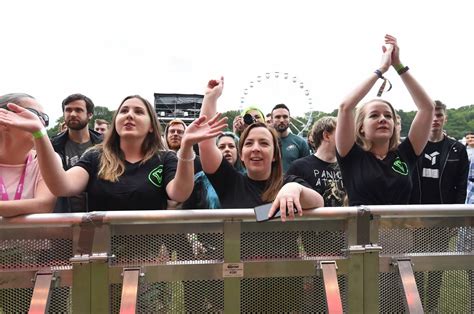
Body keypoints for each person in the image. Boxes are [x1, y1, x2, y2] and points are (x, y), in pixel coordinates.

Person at [0, 95, 227, 211]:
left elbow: (179, 193)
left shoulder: (164, 158)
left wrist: (186, 147)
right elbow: (61, 186)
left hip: (149, 257)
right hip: (100, 255)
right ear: (115, 121)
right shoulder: (94, 156)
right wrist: (40, 134)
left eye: (138, 111)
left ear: (151, 125)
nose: (129, 115)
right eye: (124, 111)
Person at [197, 77, 323, 221]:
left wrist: (295, 189)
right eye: (249, 143)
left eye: (264, 143)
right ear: (241, 154)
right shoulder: (230, 182)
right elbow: (205, 144)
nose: (255, 148)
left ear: (275, 154)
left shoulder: (288, 182)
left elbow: (319, 201)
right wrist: (210, 98)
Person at [335, 34, 434, 206]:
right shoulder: (351, 155)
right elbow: (345, 107)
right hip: (361, 232)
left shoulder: (405, 155)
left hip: (398, 232)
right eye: (374, 115)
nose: (383, 119)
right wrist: (381, 69)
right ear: (361, 128)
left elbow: (427, 108)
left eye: (388, 116)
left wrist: (399, 66)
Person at [0, 93, 56, 217]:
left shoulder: (46, 161)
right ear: (3, 121)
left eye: (44, 118)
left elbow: (44, 205)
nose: (39, 122)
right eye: (33, 114)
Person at [410, 100, 469, 204]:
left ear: (445, 118)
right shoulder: (413, 146)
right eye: (431, 115)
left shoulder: (457, 149)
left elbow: (462, 185)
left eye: (439, 115)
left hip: (445, 208)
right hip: (416, 208)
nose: (435, 119)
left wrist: (458, 212)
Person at [51, 93, 103, 212]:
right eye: (68, 110)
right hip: (64, 215)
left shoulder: (105, 145)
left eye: (78, 110)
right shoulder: (53, 146)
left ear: (89, 115)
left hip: (98, 213)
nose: (73, 114)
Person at [287, 116, 346, 207]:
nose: (347, 138)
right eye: (342, 132)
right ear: (326, 136)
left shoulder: (348, 166)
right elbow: (283, 205)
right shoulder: (299, 166)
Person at [183, 131, 244, 209]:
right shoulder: (199, 180)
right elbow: (187, 213)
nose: (227, 150)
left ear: (238, 151)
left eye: (231, 146)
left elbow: (260, 212)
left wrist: (258, 218)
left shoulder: (249, 178)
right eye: (221, 147)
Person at [271, 103, 311, 173]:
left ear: (290, 119)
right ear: (271, 120)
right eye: (277, 117)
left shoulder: (300, 143)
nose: (281, 120)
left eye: (285, 117)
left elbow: (307, 169)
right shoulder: (265, 142)